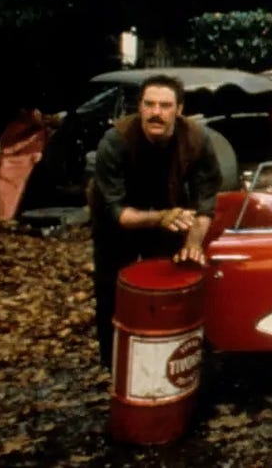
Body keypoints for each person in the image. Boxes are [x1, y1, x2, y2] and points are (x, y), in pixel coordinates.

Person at [89, 75, 220, 367]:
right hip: (118, 216)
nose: (156, 113)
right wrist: (159, 217)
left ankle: (165, 352)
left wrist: (194, 243)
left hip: (168, 205)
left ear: (179, 110)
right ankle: (114, 364)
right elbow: (119, 213)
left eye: (165, 105)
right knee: (112, 287)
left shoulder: (197, 138)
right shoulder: (116, 140)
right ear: (139, 107)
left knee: (167, 278)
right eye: (149, 105)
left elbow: (206, 199)